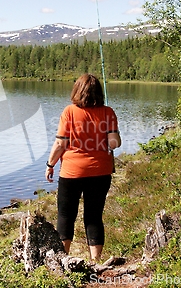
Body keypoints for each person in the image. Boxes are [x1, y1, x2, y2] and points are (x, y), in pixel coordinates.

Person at [45, 73, 121, 262]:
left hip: (72, 172)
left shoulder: (69, 112)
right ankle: (95, 261)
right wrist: (112, 133)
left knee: (65, 216)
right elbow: (114, 143)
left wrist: (50, 164)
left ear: (77, 90)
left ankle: (63, 259)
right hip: (101, 172)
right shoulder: (108, 112)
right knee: (94, 216)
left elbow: (60, 144)